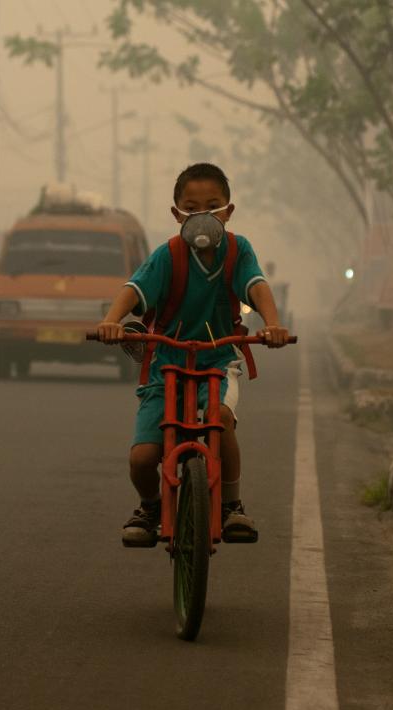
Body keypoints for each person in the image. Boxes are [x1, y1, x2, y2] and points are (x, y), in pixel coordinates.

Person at [96, 162, 289, 547]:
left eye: (213, 206)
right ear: (176, 214)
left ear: (229, 211)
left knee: (220, 419)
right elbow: (133, 289)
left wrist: (273, 324)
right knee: (142, 458)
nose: (203, 216)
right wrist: (111, 320)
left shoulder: (238, 250)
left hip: (219, 360)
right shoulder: (168, 255)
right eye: (192, 207)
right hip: (165, 365)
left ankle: (232, 505)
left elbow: (257, 287)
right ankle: (149, 506)